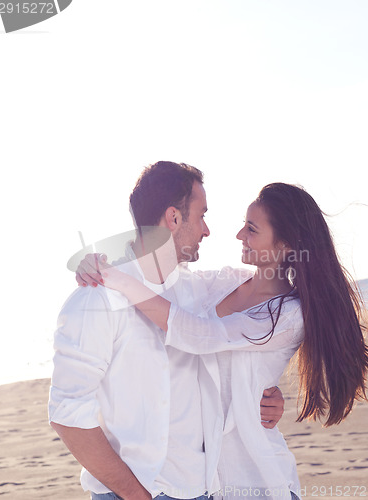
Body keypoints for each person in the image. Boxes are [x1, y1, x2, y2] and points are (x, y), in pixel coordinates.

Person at [78, 182, 368, 500]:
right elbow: (163, 282)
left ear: (286, 245)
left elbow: (199, 335)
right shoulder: (224, 282)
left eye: (252, 229)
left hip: (258, 480)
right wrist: (105, 266)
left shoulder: (288, 314)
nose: (239, 235)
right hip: (208, 482)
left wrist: (115, 278)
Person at [49, 161, 284, 500]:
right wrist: (136, 495)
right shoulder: (96, 298)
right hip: (133, 494)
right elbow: (67, 413)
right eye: (201, 215)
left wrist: (267, 394)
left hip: (207, 490)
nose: (207, 230)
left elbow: (271, 295)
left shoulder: (203, 291)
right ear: (174, 218)